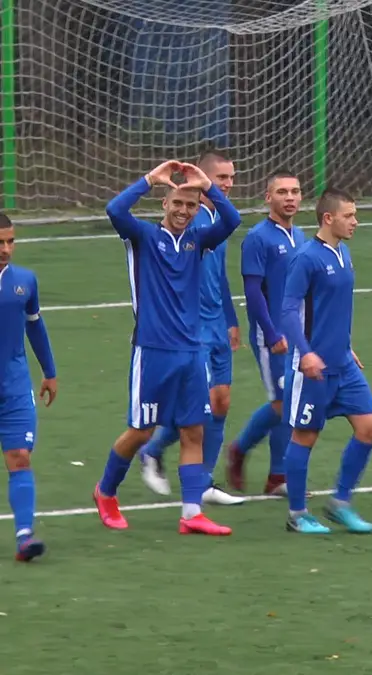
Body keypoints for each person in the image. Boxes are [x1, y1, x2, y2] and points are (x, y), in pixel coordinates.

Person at [92, 160, 242, 536]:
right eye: (177, 203)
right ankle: (105, 492)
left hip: (191, 351)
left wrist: (207, 186)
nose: (183, 211)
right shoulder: (142, 236)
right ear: (164, 203)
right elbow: (114, 209)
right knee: (141, 432)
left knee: (193, 430)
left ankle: (191, 513)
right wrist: (149, 179)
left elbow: (232, 219)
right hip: (153, 350)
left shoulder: (197, 241)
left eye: (191, 205)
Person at [138, 149, 244, 506]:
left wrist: (230, 318)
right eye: (221, 177)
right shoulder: (189, 219)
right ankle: (153, 451)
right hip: (191, 327)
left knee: (222, 401)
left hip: (216, 323)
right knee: (202, 405)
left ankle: (204, 480)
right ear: (204, 178)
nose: (228, 184)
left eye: (231, 178)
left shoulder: (214, 216)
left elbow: (219, 275)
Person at [278, 188, 372, 534]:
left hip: (343, 363)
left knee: (368, 428)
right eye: (349, 216)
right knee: (305, 436)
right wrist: (305, 352)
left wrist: (346, 345)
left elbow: (336, 308)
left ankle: (340, 503)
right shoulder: (306, 259)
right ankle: (297, 514)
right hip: (313, 368)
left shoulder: (343, 252)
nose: (355, 221)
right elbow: (288, 310)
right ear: (328, 218)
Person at [225, 170, 306, 496]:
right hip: (271, 336)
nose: (290, 197)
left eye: (295, 191)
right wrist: (271, 335)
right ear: (268, 197)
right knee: (282, 403)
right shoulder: (258, 238)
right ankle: (239, 449)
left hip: (298, 334)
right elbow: (253, 292)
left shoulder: (300, 236)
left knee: (292, 403)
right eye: (282, 192)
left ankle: (277, 477)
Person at [0, 214, 58, 561]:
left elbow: (35, 325)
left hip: (14, 387)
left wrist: (49, 371)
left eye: (11, 241)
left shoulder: (24, 281)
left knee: (20, 457)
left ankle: (25, 537)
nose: (6, 249)